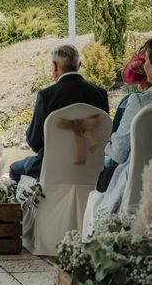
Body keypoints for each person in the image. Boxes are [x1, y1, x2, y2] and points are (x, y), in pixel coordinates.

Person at [88, 30, 152, 217]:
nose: (144, 66)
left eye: (146, 60)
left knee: (98, 196)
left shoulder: (140, 102)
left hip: (140, 189)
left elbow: (117, 153)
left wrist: (106, 143)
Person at [9, 44, 109, 183]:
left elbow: (34, 142)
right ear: (79, 65)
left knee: (15, 169)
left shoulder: (46, 96)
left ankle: (39, 203)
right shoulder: (100, 94)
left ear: (55, 66)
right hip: (91, 169)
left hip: (53, 168)